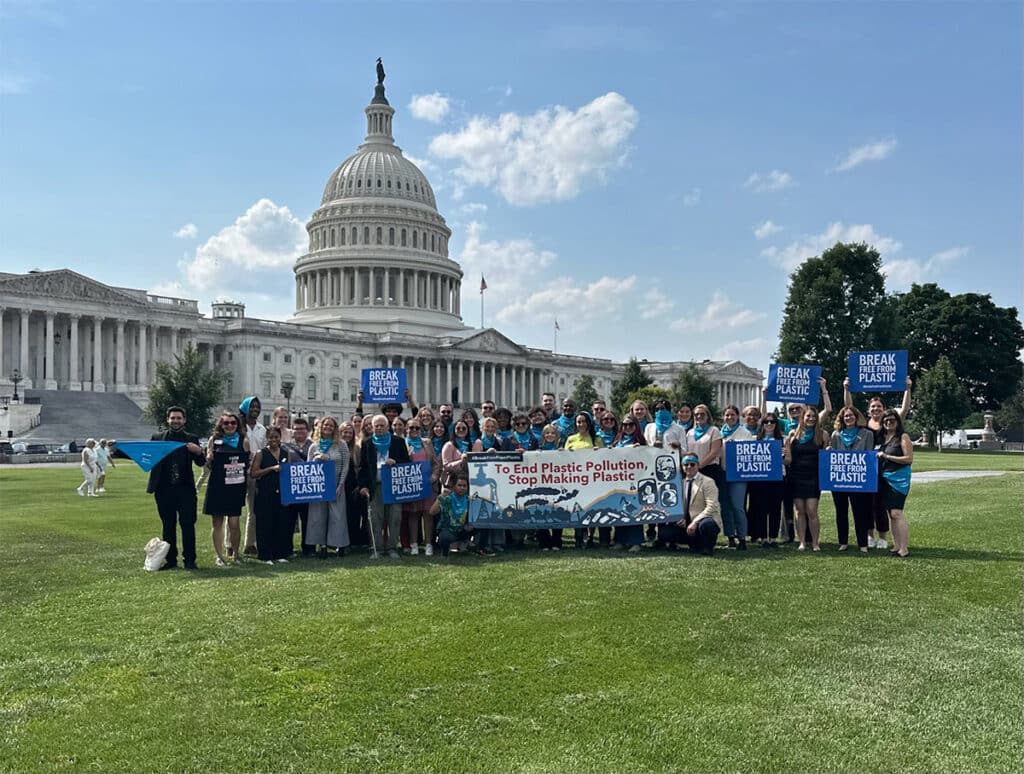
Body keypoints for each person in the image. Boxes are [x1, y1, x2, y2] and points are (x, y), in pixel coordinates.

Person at [844, 376, 913, 551]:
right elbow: (849, 408)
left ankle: (885, 538)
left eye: (879, 407)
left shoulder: (890, 429)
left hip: (889, 472)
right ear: (868, 410)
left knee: (886, 507)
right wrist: (847, 389)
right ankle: (870, 536)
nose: (876, 409)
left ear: (883, 410)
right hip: (869, 470)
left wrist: (907, 388)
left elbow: (904, 409)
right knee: (870, 504)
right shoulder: (865, 425)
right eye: (873, 407)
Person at [147, 406, 205, 570]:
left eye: (179, 418)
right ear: (168, 420)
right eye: (173, 418)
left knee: (188, 525)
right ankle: (171, 560)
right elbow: (145, 455)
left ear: (184, 420)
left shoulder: (191, 438)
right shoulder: (157, 438)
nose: (175, 421)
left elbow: (201, 462)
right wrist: (117, 449)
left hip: (185, 489)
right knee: (168, 525)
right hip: (164, 489)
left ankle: (190, 560)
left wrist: (198, 451)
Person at [358, 413, 411, 559]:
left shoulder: (398, 441)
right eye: (376, 426)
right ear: (372, 428)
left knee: (394, 517)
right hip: (375, 486)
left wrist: (396, 462)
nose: (379, 428)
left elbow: (406, 462)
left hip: (394, 486)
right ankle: (378, 548)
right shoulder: (367, 443)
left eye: (382, 426)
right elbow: (363, 467)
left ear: (388, 426)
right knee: (375, 518)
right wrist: (362, 486)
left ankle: (392, 547)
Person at [202, 412, 250, 566]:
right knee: (217, 522)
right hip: (217, 485)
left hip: (235, 486)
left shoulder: (244, 440)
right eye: (226, 423)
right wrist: (208, 458)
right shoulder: (214, 440)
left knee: (234, 523)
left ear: (237, 425)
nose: (230, 426)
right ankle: (219, 556)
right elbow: (208, 464)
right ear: (221, 425)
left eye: (233, 423)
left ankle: (236, 554)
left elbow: (248, 462)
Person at [830, 406, 875, 552]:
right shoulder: (836, 435)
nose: (848, 418)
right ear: (842, 419)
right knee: (841, 512)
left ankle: (863, 544)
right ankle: (843, 542)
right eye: (845, 416)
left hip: (859, 479)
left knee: (859, 512)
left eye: (851, 416)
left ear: (856, 417)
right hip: (840, 479)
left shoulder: (867, 434)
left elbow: (869, 456)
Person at [783, 407, 828, 551]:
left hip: (814, 477)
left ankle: (815, 542)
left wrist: (829, 452)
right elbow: (788, 461)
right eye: (808, 416)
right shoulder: (793, 434)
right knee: (799, 510)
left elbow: (825, 458)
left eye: (814, 416)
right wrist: (784, 454)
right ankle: (801, 541)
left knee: (812, 510)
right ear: (803, 417)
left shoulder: (822, 434)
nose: (811, 419)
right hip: (796, 476)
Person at [306, 416, 350, 558]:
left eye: (331, 426)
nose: (328, 428)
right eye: (326, 425)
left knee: (337, 516)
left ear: (335, 428)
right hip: (319, 487)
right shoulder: (314, 446)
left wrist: (341, 484)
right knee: (318, 517)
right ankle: (322, 545)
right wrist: (316, 459)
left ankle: (339, 545)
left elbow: (345, 466)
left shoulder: (341, 444)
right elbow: (307, 468)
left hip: (336, 485)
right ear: (320, 427)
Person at [251, 426, 293, 564]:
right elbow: (254, 473)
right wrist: (270, 469)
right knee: (265, 524)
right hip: (265, 493)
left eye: (276, 437)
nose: (274, 440)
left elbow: (289, 475)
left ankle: (279, 553)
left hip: (280, 493)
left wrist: (288, 496)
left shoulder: (286, 453)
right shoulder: (261, 453)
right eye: (271, 437)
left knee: (280, 523)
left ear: (280, 438)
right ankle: (265, 555)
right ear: (267, 438)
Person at [719, 404, 756, 550]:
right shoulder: (719, 433)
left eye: (732, 415)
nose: (730, 417)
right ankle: (730, 537)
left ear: (737, 416)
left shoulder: (744, 433)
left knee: (737, 506)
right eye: (727, 415)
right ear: (723, 417)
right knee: (725, 507)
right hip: (723, 474)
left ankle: (742, 537)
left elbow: (750, 452)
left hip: (739, 475)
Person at [877, 409, 913, 558]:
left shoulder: (903, 437)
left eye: (892, 420)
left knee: (897, 513)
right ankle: (896, 545)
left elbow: (908, 459)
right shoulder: (882, 437)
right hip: (884, 479)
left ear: (897, 422)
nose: (889, 423)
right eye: (886, 421)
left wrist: (887, 456)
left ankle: (904, 548)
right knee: (890, 514)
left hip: (899, 480)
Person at [565, 412, 603, 548]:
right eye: (578, 422)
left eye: (583, 421)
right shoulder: (571, 439)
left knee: (591, 508)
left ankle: (591, 537)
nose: (581, 424)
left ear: (588, 423)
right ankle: (578, 537)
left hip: (592, 479)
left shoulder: (596, 439)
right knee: (577, 508)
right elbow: (563, 459)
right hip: (575, 480)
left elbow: (604, 459)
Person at [747, 413, 785, 548]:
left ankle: (773, 537)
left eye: (772, 422)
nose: (769, 424)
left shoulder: (783, 440)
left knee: (775, 508)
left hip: (777, 478)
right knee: (760, 508)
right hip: (760, 479)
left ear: (776, 424)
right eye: (766, 422)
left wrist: (784, 454)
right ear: (762, 425)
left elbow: (789, 461)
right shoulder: (755, 440)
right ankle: (762, 537)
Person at [473, 416, 510, 552]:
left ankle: (498, 542)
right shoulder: (478, 442)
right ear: (483, 428)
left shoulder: (499, 441)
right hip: (482, 483)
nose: (490, 429)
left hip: (497, 481)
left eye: (492, 427)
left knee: (498, 510)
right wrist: (486, 454)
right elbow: (474, 461)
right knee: (484, 511)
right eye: (487, 426)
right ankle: (483, 542)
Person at [401, 417, 436, 556]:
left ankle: (428, 544)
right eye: (411, 428)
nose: (414, 430)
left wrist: (434, 477)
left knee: (428, 515)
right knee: (413, 515)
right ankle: (414, 544)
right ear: (406, 429)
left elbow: (435, 462)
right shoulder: (402, 444)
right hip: (412, 486)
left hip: (427, 484)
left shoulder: (427, 443)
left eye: (417, 428)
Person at [678, 453, 722, 556]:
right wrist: (680, 518)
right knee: (666, 533)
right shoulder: (680, 483)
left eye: (692, 464)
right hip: (687, 521)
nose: (689, 467)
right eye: (686, 464)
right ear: (682, 466)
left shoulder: (708, 482)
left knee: (707, 525)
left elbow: (712, 506)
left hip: (704, 520)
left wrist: (695, 522)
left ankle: (707, 547)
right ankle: (692, 543)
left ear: (698, 465)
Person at [283, 416, 315, 556]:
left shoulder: (314, 445)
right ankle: (287, 548)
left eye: (302, 429)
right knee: (289, 520)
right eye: (296, 429)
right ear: (292, 431)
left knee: (309, 520)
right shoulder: (286, 446)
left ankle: (309, 548)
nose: (299, 432)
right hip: (293, 488)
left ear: (307, 431)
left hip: (310, 489)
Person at [239, 395, 266, 555]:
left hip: (255, 473)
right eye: (252, 407)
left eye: (257, 407)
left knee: (253, 510)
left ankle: (250, 544)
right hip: (238, 471)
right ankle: (229, 544)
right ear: (245, 408)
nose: (255, 409)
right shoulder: (238, 428)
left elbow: (264, 450)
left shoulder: (262, 429)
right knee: (233, 509)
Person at [429, 473, 475, 557]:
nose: (462, 488)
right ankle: (445, 553)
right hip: (448, 529)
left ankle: (471, 547)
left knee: (480, 526)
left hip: (463, 529)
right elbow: (432, 512)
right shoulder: (446, 498)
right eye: (459, 485)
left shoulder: (469, 499)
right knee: (444, 537)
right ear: (454, 486)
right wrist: (440, 498)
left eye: (464, 486)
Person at [535, 424, 563, 551]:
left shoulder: (560, 450)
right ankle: (544, 542)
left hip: (557, 485)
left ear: (557, 436)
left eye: (552, 433)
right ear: (543, 436)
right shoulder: (538, 450)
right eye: (547, 433)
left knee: (557, 511)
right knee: (542, 512)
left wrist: (565, 454)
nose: (550, 435)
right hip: (541, 485)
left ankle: (557, 541)